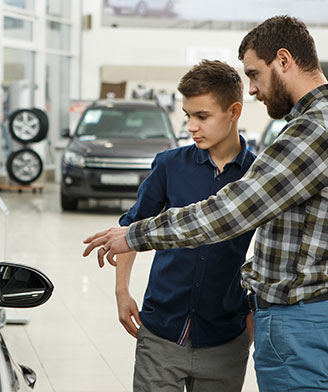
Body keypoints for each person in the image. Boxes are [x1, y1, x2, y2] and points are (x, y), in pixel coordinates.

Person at [83, 15, 328, 392]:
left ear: (284, 60)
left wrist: (134, 235)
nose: (253, 89)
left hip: (288, 324)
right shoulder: (170, 164)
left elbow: (229, 212)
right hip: (171, 328)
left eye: (255, 74)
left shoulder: (311, 130)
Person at [115, 60, 255, 392]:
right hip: (161, 331)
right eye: (187, 115)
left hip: (226, 337)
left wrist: (251, 321)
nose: (192, 126)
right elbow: (130, 229)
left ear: (234, 111)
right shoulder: (169, 165)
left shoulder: (257, 176)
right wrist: (122, 291)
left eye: (202, 116)